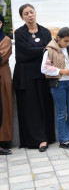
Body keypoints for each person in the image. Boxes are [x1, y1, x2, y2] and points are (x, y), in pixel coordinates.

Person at [13, 4, 55, 152]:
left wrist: (43, 51)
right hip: (26, 76)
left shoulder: (45, 32)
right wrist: (43, 50)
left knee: (45, 105)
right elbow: (24, 53)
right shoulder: (19, 33)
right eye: (26, 13)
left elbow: (51, 51)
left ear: (35, 13)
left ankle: (47, 137)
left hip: (43, 74)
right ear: (22, 17)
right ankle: (37, 140)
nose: (30, 15)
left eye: (31, 12)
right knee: (32, 108)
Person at [41, 27, 69, 149]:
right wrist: (60, 71)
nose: (68, 43)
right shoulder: (49, 50)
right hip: (59, 85)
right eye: (66, 41)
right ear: (58, 38)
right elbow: (44, 68)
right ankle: (64, 140)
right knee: (62, 113)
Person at [0, 14, 12, 155]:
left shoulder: (6, 40)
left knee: (3, 108)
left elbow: (1, 58)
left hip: (2, 77)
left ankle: (2, 142)